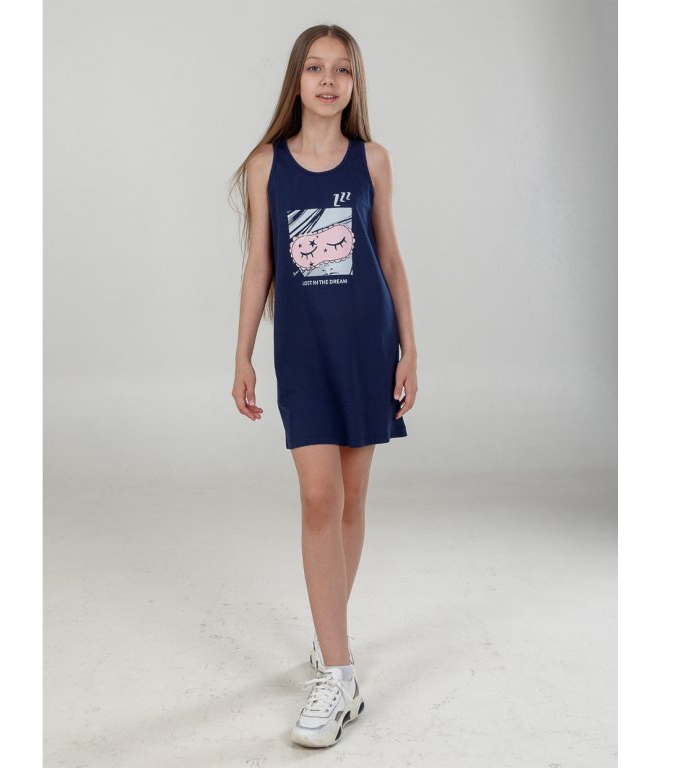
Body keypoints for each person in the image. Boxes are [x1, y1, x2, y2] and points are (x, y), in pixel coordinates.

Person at [229, 23, 418, 748]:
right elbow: (260, 266)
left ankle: (327, 633)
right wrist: (243, 355)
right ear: (297, 80)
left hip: (367, 348)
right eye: (315, 68)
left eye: (342, 70)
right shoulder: (265, 165)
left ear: (353, 84)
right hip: (304, 355)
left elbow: (390, 260)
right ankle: (340, 678)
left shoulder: (373, 161)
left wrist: (409, 350)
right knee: (318, 496)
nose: (328, 80)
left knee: (352, 499)